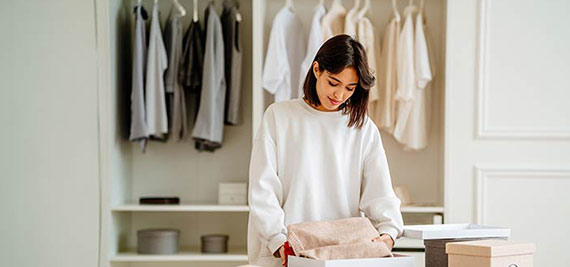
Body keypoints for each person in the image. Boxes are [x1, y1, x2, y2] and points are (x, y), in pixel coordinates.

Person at [248, 34, 404, 267]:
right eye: (333, 83)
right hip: (286, 250)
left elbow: (380, 193)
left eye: (350, 88)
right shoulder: (279, 117)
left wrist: (388, 233)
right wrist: (278, 240)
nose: (339, 95)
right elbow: (263, 189)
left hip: (341, 253)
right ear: (316, 69)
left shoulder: (362, 128)